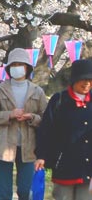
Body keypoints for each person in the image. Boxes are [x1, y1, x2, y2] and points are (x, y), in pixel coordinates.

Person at [0, 48, 48, 200]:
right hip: (3, 145)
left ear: (27, 68)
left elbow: (44, 119)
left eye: (21, 64)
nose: (17, 68)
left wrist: (31, 117)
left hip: (29, 147)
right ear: (9, 68)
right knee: (4, 193)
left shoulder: (37, 91)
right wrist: (9, 115)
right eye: (14, 64)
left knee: (26, 191)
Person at [35, 58, 92, 200]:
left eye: (90, 80)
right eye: (83, 79)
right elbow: (46, 129)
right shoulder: (59, 100)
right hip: (64, 164)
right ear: (74, 80)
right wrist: (41, 155)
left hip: (88, 167)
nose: (86, 83)